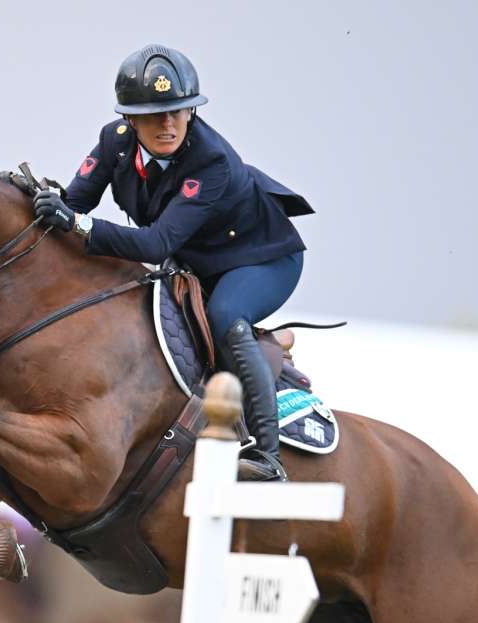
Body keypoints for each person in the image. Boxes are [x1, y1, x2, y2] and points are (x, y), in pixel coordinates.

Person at [34, 44, 314, 481]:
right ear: (130, 118)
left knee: (226, 315)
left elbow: (153, 243)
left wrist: (79, 226)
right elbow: (74, 205)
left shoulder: (212, 161)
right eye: (153, 114)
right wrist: (44, 203)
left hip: (263, 258)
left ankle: (268, 454)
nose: (168, 124)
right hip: (198, 256)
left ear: (191, 113)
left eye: (179, 111)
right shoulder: (115, 142)